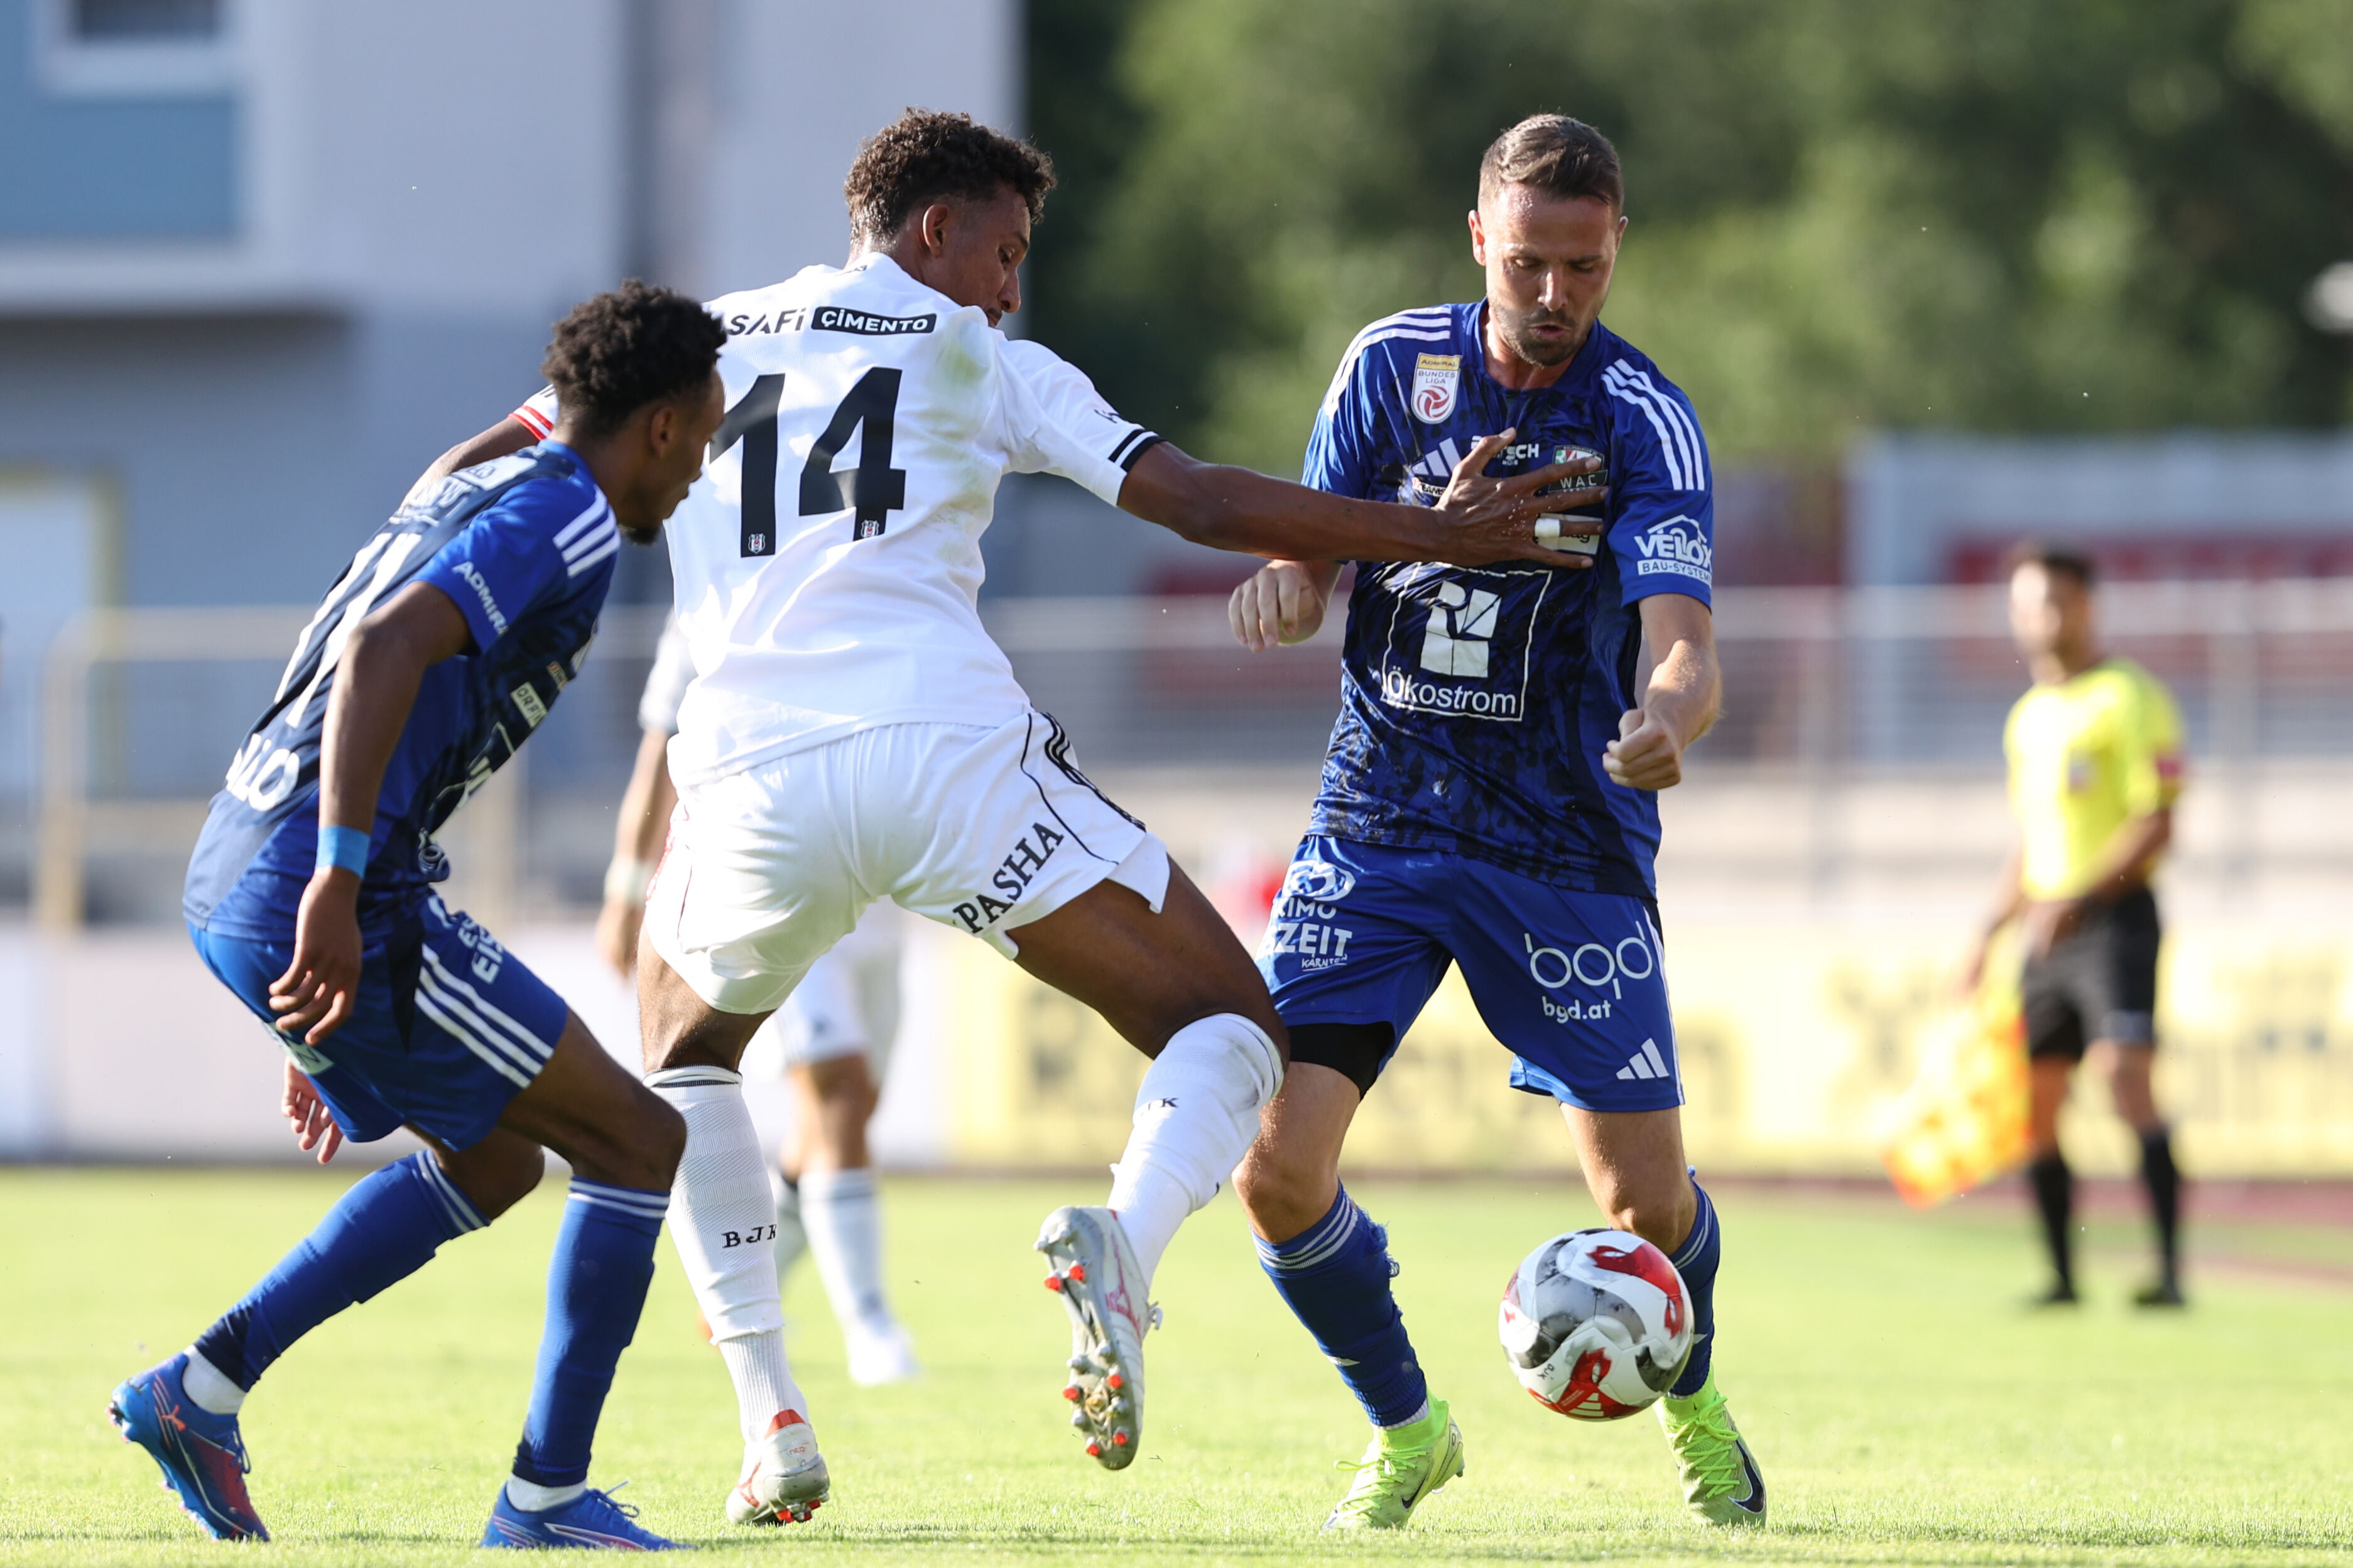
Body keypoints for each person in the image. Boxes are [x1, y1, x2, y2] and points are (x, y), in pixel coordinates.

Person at [419, 107, 1586, 1521]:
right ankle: (1128, 1250)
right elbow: (1202, 500)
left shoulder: (705, 337)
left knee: (684, 1051)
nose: (1009, 285)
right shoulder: (983, 356)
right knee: (1232, 1028)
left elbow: (478, 468)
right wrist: (1442, 535)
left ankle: (769, 1414)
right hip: (943, 759)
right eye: (1005, 250)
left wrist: (414, 579)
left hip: (742, 784)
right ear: (934, 232)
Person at [114, 282, 726, 1550]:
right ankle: (545, 1503)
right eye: (705, 434)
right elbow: (387, 648)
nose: (702, 467)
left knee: (499, 1159)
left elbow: (514, 437)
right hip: (322, 878)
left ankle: (202, 1388)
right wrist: (337, 889)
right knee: (635, 1143)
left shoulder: (466, 476)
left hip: (236, 858)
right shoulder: (572, 521)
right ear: (657, 426)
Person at [1225, 114, 1763, 1530]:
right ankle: (1406, 1431)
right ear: (1479, 241)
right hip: (1378, 827)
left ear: (1615, 249)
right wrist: (1287, 583)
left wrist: (1672, 715)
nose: (1553, 292)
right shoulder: (1390, 368)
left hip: (1565, 851)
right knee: (1276, 1171)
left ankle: (1694, 1397)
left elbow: (1685, 640)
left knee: (1643, 1207)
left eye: (1581, 265)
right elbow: (1307, 538)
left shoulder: (1642, 417)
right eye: (1527, 260)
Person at [599, 614, 920, 1385]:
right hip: (777, 875)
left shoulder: (875, 568)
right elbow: (660, 752)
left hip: (880, 883)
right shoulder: (710, 594)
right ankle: (870, 1326)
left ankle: (740, 1284)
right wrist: (624, 886)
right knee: (837, 1090)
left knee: (839, 1118)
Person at [1964, 543, 2187, 1308]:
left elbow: (2155, 823)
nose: (2038, 618)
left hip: (2113, 916)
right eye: (2025, 604)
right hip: (2045, 927)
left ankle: (2168, 1271)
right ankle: (2062, 1277)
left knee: (2124, 1077)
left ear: (2086, 606)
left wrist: (2079, 901)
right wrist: (1989, 930)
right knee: (2036, 1099)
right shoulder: (2027, 717)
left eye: (2053, 602)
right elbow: (2032, 840)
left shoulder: (2129, 697)